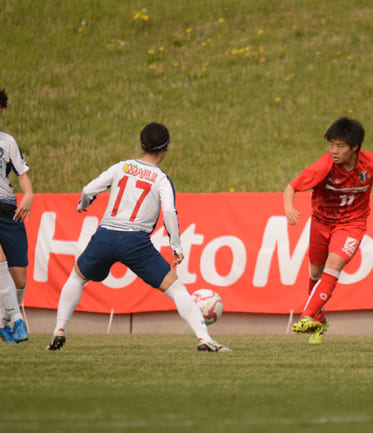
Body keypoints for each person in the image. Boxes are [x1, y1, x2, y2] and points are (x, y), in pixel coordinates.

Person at [47, 123, 230, 352]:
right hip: (134, 241)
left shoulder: (121, 167)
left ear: (141, 144)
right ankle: (204, 339)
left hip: (105, 235)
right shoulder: (161, 179)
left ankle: (59, 330)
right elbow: (170, 213)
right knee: (176, 290)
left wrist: (83, 204)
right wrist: (176, 247)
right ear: (166, 149)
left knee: (76, 278)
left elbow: (88, 190)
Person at [284, 117, 373, 344]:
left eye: (340, 146)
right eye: (331, 145)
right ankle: (318, 321)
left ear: (355, 148)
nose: (334, 151)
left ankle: (306, 316)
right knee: (315, 273)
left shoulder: (370, 162)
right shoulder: (324, 166)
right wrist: (289, 208)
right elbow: (291, 186)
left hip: (352, 225)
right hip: (321, 223)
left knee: (333, 267)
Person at [0, 89, 32, 343]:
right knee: (0, 266)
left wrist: (29, 194)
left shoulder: (7, 141)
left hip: (8, 209)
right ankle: (17, 319)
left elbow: (22, 173)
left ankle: (2, 322)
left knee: (19, 277)